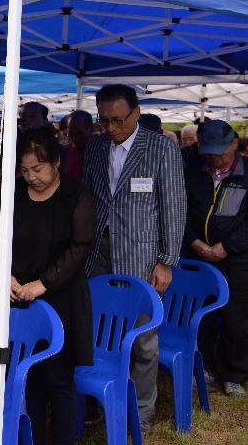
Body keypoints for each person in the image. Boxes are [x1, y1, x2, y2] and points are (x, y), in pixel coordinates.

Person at [83, 84, 186, 435]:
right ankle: (103, 402)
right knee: (101, 333)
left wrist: (167, 259)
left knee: (142, 337)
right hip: (98, 252)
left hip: (142, 255)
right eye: (104, 121)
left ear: (136, 113)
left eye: (117, 120)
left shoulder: (160, 149)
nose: (110, 128)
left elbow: (174, 206)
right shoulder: (95, 147)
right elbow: (90, 197)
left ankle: (142, 409)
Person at [12, 128, 94, 445]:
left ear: (56, 162)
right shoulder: (13, 193)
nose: (32, 177)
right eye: (25, 170)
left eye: (38, 168)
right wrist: (6, 276)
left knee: (59, 378)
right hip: (19, 296)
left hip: (62, 297)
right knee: (27, 376)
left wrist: (43, 283)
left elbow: (80, 246)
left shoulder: (76, 194)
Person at [183, 120, 248, 398]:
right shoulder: (193, 173)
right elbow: (181, 210)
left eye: (220, 152)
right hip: (199, 255)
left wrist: (227, 247)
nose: (214, 158)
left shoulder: (246, 174)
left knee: (236, 317)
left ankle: (234, 373)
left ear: (235, 143)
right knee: (202, 315)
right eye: (208, 152)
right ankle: (205, 366)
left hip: (237, 258)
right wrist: (194, 242)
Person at [62, 110, 93, 181]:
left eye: (79, 133)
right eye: (71, 132)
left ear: (90, 129)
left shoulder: (102, 151)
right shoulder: (64, 151)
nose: (75, 137)